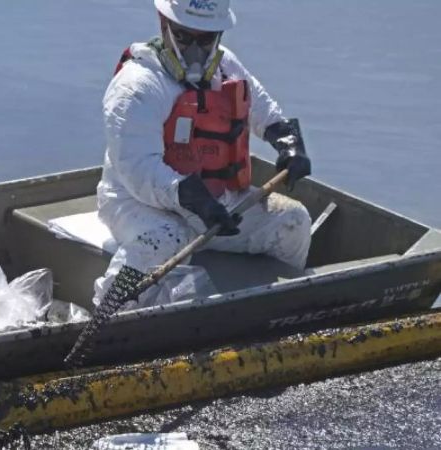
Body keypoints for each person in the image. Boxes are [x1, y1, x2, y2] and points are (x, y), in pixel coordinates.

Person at [93, 0, 313, 308]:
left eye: (206, 39)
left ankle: (275, 308)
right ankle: (109, 313)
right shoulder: (136, 87)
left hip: (214, 204)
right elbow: (138, 170)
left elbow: (264, 111)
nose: (195, 51)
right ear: (164, 24)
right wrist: (191, 197)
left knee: (293, 221)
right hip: (136, 204)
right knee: (165, 237)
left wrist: (289, 144)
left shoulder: (227, 67)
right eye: (184, 37)